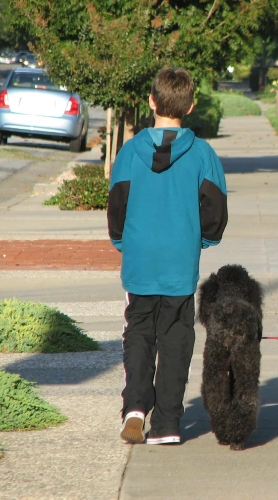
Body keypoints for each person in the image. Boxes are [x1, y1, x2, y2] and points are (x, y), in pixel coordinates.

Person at [108, 67, 228, 445]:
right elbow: (215, 212)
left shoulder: (129, 153)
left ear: (151, 102)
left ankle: (135, 408)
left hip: (140, 259)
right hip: (179, 261)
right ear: (190, 106)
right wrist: (203, 240)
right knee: (176, 337)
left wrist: (122, 242)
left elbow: (117, 208)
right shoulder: (203, 154)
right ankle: (167, 424)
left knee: (139, 331)